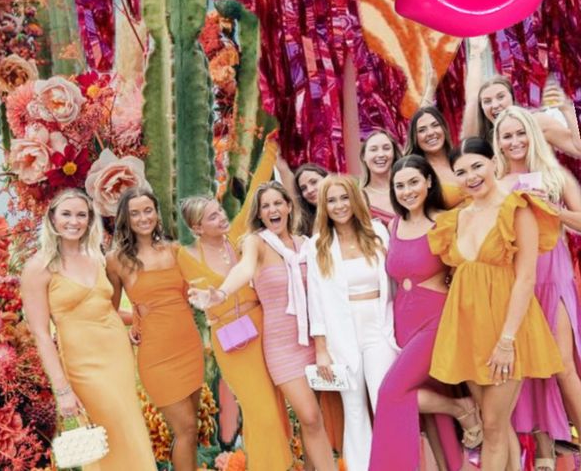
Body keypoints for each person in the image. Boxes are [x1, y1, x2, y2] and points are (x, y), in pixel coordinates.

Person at [428, 137, 563, 471]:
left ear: (493, 163)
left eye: (477, 166)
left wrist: (507, 340)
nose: (471, 176)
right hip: (468, 327)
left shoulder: (517, 207)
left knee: (491, 425)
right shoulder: (458, 216)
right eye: (461, 171)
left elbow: (526, 278)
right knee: (496, 424)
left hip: (507, 327)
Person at [190, 180, 335, 471]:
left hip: (315, 340)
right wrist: (219, 294)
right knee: (309, 416)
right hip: (282, 346)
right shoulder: (256, 243)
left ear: (289, 206)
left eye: (277, 203)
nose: (272, 209)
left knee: (315, 419)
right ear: (260, 213)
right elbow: (243, 269)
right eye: (265, 206)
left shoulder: (307, 245)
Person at [177, 136, 293, 471]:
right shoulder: (184, 257)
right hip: (230, 340)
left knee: (274, 404)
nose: (221, 218)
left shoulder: (239, 234)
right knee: (261, 409)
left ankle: (273, 464)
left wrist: (272, 146)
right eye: (213, 218)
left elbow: (258, 186)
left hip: (263, 328)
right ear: (197, 227)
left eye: (219, 212)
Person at [20, 188, 157, 471]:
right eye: (66, 214)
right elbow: (42, 335)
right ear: (52, 219)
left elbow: (105, 310)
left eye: (81, 215)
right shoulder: (38, 268)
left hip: (118, 358)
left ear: (89, 219)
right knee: (107, 435)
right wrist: (62, 390)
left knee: (131, 429)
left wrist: (143, 315)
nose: (74, 221)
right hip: (83, 365)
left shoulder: (97, 257)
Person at [369, 156, 480, 471]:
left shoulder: (444, 221)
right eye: (400, 185)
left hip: (436, 320)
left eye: (413, 182)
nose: (407, 191)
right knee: (434, 420)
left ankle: (461, 407)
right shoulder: (393, 224)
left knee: (391, 392)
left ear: (429, 182)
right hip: (404, 323)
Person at [494, 105, 581, 468]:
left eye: (520, 133)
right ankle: (545, 456)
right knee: (529, 366)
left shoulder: (553, 175)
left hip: (553, 274)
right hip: (516, 281)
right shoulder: (495, 183)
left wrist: (554, 211)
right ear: (497, 143)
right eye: (507, 136)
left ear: (532, 134)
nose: (515, 141)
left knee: (562, 364)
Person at [106, 187, 204, 471]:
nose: (143, 218)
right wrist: (135, 320)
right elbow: (109, 309)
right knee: (184, 428)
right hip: (156, 355)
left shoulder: (174, 250)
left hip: (188, 346)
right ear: (126, 218)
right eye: (135, 213)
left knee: (191, 429)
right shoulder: (115, 261)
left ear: (156, 213)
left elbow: (194, 295)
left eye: (147, 210)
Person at [306, 173, 398, 470]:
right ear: (324, 206)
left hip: (379, 327)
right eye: (331, 200)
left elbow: (395, 280)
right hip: (340, 332)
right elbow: (316, 299)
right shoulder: (318, 244)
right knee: (354, 408)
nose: (339, 205)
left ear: (355, 199)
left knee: (384, 400)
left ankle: (391, 463)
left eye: (344, 198)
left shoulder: (378, 232)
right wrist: (321, 347)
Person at [462, 39, 581, 158]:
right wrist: (475, 52)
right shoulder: (481, 139)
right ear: (482, 107)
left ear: (512, 98)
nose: (495, 105)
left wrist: (567, 109)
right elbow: (472, 99)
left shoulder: (537, 122)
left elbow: (578, 149)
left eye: (501, 97)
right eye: (487, 101)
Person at [405, 107, 463, 208]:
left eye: (435, 125)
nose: (430, 133)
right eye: (422, 130)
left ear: (444, 128)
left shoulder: (463, 156)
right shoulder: (417, 173)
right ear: (415, 137)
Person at [360, 129, 401, 227]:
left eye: (386, 148)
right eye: (373, 149)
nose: (381, 154)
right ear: (363, 156)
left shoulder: (409, 189)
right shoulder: (359, 198)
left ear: (394, 154)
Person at [291, 163, 329, 237]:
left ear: (326, 178)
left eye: (314, 182)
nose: (309, 190)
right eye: (303, 188)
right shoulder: (304, 224)